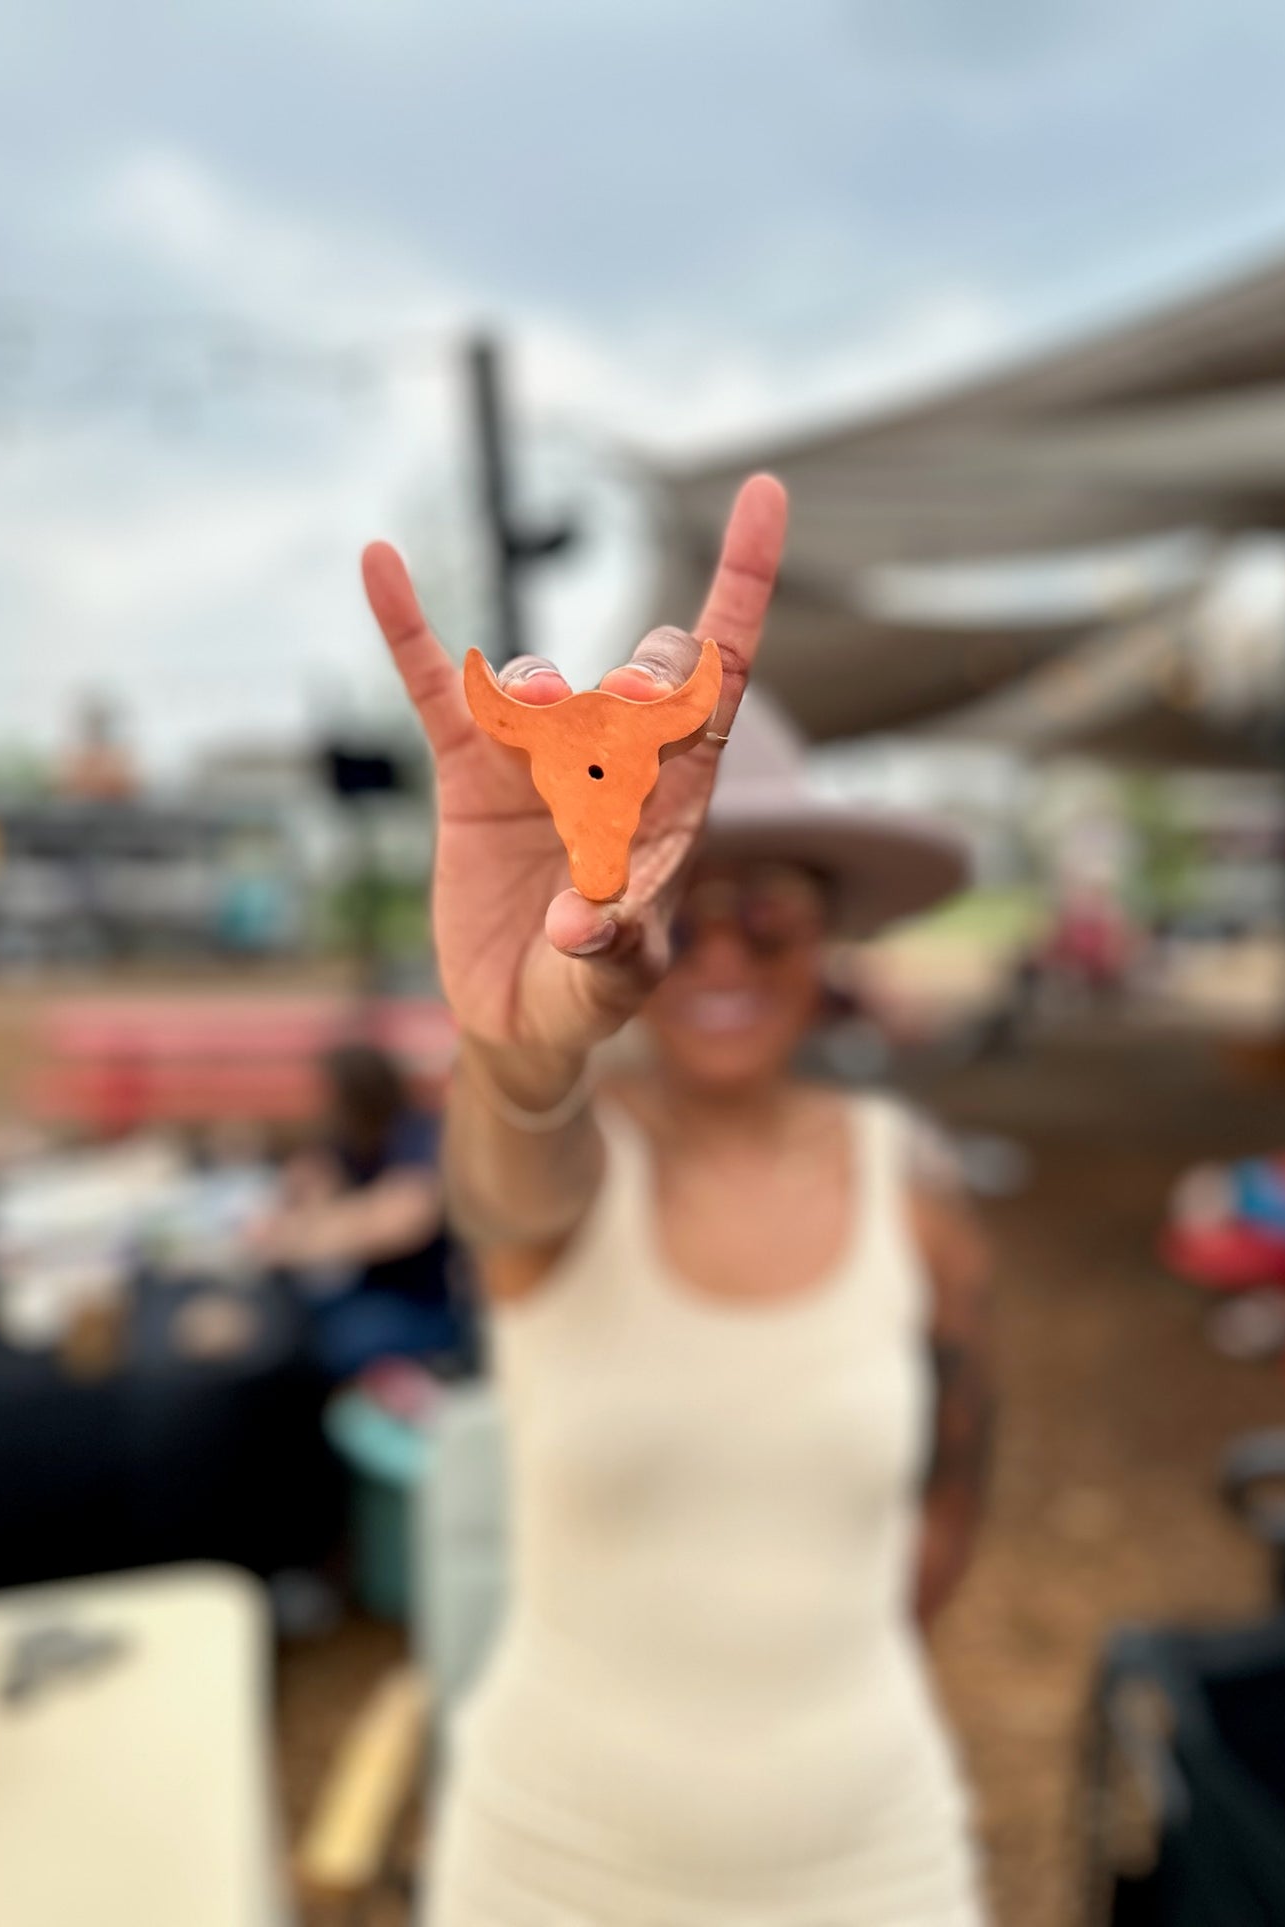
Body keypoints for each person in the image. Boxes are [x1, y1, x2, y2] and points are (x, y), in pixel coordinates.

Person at [363, 474, 993, 1924]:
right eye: (674, 902)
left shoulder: (924, 1191)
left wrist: (807, 1720)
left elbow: (951, 1497)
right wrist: (516, 1048)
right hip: (556, 1868)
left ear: (825, 931)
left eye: (762, 909)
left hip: (870, 1860)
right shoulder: (580, 1168)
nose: (713, 953)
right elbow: (510, 1173)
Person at [252, 1042, 472, 1379]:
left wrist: (293, 1241)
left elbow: (405, 1218)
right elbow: (303, 1192)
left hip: (421, 1308)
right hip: (364, 1293)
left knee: (318, 1347)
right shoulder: (346, 1143)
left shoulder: (417, 1133)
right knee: (273, 1322)